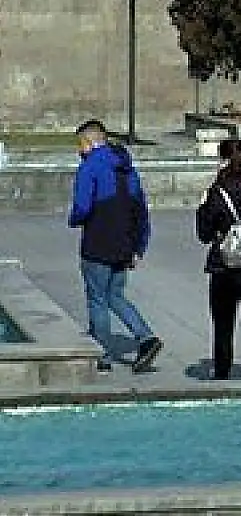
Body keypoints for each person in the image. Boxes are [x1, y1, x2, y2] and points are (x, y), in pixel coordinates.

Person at [67, 119, 163, 373]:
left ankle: (102, 354)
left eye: (80, 144)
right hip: (125, 244)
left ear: (89, 142)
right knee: (115, 295)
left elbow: (82, 207)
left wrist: (73, 219)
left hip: (98, 242)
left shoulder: (90, 167)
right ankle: (146, 337)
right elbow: (141, 210)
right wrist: (139, 246)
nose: (79, 150)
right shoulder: (127, 167)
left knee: (97, 299)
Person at [195, 138, 241, 380]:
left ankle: (222, 372)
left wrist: (202, 208)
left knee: (223, 324)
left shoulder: (218, 192)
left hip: (224, 264)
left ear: (225, 160)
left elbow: (204, 234)